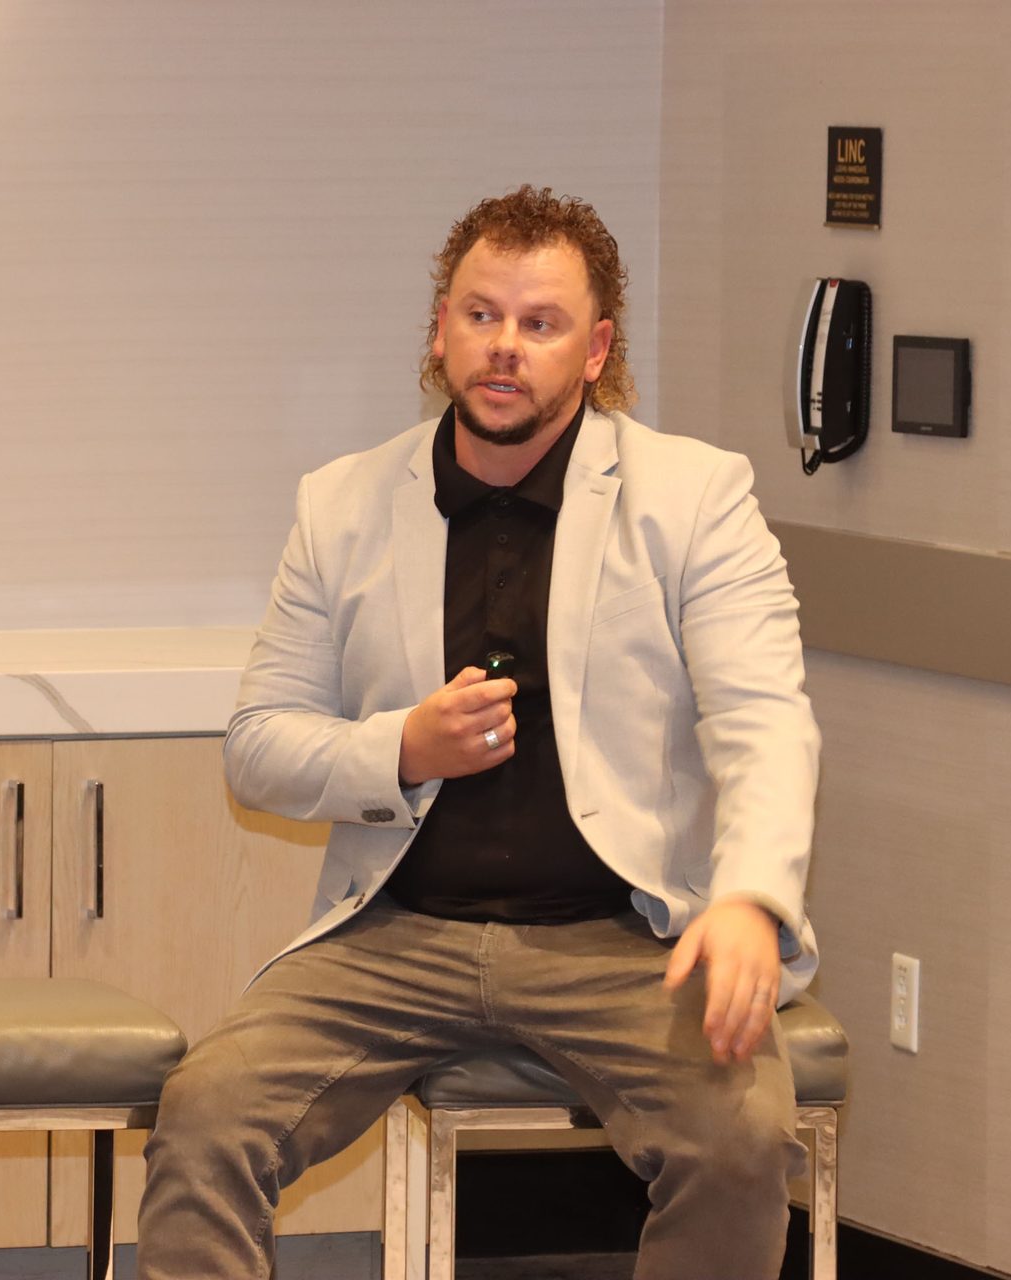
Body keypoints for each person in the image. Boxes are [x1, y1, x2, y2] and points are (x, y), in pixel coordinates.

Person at [136, 185, 819, 1279]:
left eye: (540, 323)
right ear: (439, 330)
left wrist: (746, 898)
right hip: (401, 931)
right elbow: (257, 745)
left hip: (622, 936)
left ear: (594, 349)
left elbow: (765, 719)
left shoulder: (694, 498)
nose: (506, 347)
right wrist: (404, 747)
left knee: (739, 1144)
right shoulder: (344, 504)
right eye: (481, 315)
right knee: (206, 1114)